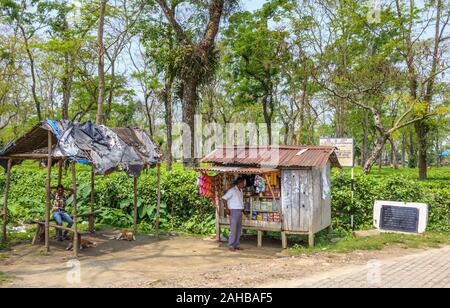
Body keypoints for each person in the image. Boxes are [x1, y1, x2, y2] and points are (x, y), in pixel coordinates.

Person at [222, 178, 245, 252]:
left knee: (238, 229)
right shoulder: (232, 190)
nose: (244, 185)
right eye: (242, 183)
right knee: (233, 229)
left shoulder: (240, 190)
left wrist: (243, 210)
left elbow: (240, 201)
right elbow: (224, 198)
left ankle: (236, 245)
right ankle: (231, 245)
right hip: (234, 211)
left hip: (239, 211)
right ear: (239, 183)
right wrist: (226, 208)